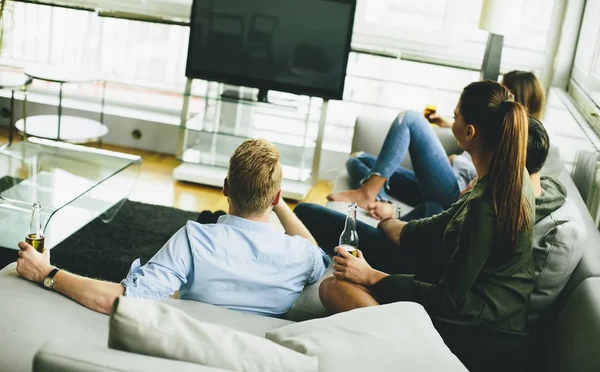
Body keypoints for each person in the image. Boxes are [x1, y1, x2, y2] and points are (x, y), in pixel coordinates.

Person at [319, 80, 535, 371]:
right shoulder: (510, 175)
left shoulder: (486, 205)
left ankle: (412, 351)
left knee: (333, 288)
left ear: (469, 133)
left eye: (456, 116)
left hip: (478, 332)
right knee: (339, 283)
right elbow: (433, 227)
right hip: (484, 314)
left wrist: (372, 277)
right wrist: (388, 222)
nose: (452, 120)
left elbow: (447, 299)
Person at [16, 139, 330, 317]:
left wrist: (46, 273)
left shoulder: (195, 240)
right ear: (276, 196)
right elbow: (312, 248)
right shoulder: (301, 255)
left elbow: (121, 301)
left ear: (225, 188)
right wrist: (275, 200)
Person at [294, 116, 551, 280]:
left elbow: (443, 281)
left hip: (410, 258)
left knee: (306, 211)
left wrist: (390, 219)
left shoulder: (484, 202)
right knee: (362, 163)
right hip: (419, 245)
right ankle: (377, 198)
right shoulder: (525, 198)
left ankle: (377, 200)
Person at [329, 71, 545, 221]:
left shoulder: (524, 142)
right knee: (357, 161)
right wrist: (449, 124)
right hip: (445, 185)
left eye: (503, 88)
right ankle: (378, 199)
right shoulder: (495, 126)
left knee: (410, 119)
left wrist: (462, 168)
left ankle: (370, 194)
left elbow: (501, 179)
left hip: (454, 193)